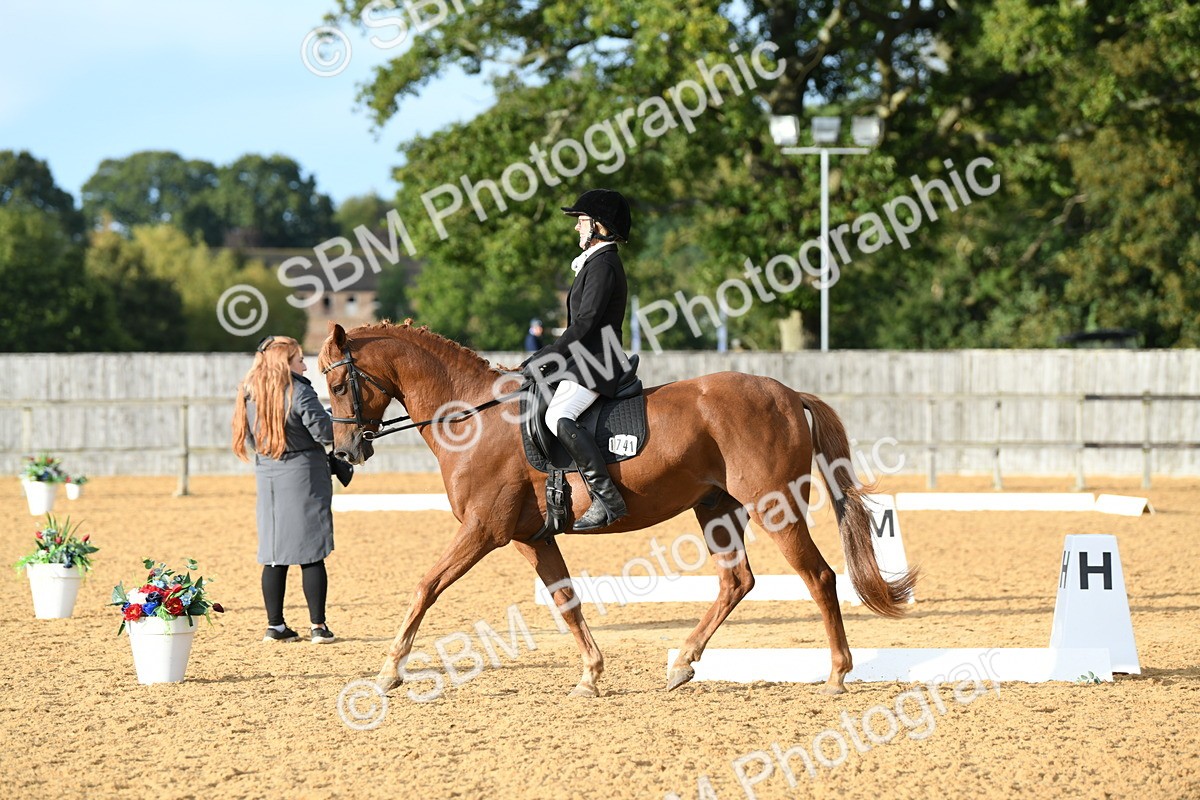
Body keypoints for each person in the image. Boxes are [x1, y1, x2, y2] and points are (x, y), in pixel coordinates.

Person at [522, 188, 632, 531]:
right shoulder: (595, 263)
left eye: (582, 221)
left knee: (559, 414)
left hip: (599, 362)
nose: (577, 228)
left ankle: (606, 498)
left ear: (600, 225)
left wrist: (546, 355)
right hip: (585, 360)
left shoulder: (603, 265)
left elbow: (585, 324)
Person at [232, 335, 336, 644]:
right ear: (285, 363)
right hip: (303, 474)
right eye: (299, 360)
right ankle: (318, 626)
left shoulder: (250, 393)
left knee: (274, 553)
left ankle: (275, 625)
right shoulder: (299, 391)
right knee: (312, 553)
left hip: (267, 473)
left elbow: (249, 438)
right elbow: (325, 432)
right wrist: (340, 420)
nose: (305, 365)